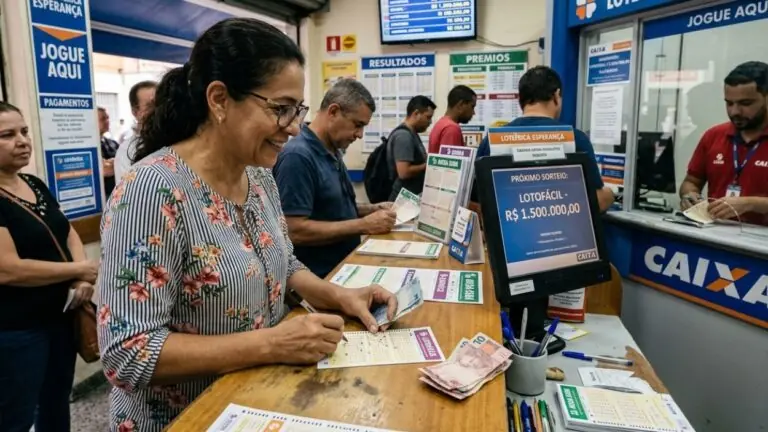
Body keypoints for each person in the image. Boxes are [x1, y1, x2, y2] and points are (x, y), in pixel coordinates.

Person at [97, 19, 396, 431]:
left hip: (252, 402)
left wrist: (341, 296)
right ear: (219, 99)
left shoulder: (258, 177)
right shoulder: (153, 190)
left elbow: (284, 263)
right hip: (186, 418)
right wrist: (272, 343)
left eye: (298, 110)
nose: (294, 126)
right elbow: (127, 353)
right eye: (280, 108)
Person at [0, 101, 98, 432]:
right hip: (17, 330)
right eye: (7, 135)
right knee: (15, 417)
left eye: (24, 131)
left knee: (56, 405)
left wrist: (81, 276)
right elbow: (8, 269)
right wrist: (77, 271)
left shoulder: (34, 183)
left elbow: (67, 231)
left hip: (61, 317)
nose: (22, 141)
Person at [274, 79, 397, 279]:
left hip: (344, 270)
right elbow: (294, 230)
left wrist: (372, 209)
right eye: (357, 125)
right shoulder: (298, 156)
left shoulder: (332, 149)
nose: (360, 134)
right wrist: (364, 225)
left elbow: (331, 207)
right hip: (319, 280)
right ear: (333, 112)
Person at [477, 66, 615, 212]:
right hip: (562, 226)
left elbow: (479, 202)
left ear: (520, 100)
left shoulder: (492, 141)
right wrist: (610, 194)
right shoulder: (576, 139)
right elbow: (597, 202)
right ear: (556, 95)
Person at [680, 61, 768, 225]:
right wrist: (689, 195)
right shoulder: (714, 135)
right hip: (715, 234)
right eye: (729, 103)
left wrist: (751, 204)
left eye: (745, 104)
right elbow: (691, 181)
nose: (735, 111)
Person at [388, 95, 436, 200]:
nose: (430, 122)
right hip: (402, 199)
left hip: (411, 197)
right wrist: (429, 164)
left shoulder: (412, 133)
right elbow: (403, 172)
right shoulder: (403, 136)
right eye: (428, 117)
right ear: (416, 114)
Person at [114, 80, 156, 181]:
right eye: (149, 106)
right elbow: (126, 188)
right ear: (135, 112)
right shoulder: (127, 151)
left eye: (160, 104)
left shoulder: (180, 140)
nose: (157, 110)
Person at [427, 85, 476, 154]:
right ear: (461, 105)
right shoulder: (451, 128)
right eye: (472, 107)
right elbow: (451, 160)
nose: (473, 112)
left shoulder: (440, 124)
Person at [98, 107, 119, 197]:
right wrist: (117, 162)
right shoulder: (88, 147)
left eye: (107, 118)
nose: (107, 121)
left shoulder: (113, 143)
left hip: (117, 193)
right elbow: (104, 170)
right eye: (103, 119)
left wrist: (112, 163)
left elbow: (127, 162)